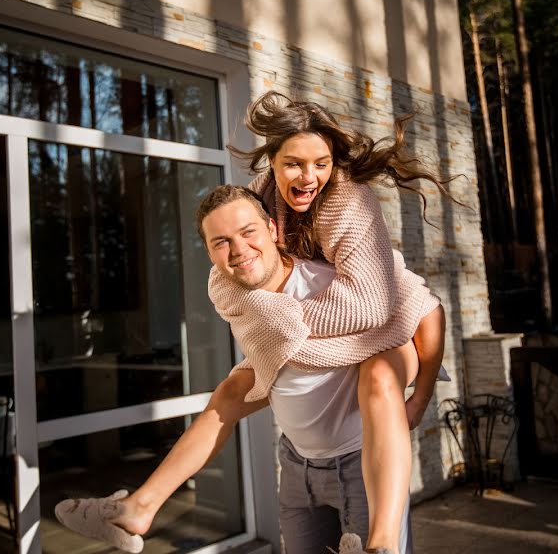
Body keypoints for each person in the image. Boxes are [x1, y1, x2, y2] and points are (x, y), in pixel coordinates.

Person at [55, 186, 414, 553]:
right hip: (297, 467)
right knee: (228, 393)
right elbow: (270, 358)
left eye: (248, 232)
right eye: (221, 242)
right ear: (209, 252)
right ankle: (138, 509)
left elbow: (402, 322)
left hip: (362, 464)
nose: (239, 250)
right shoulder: (237, 295)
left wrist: (421, 385)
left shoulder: (327, 287)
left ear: (272, 229)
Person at [209, 91, 452, 554]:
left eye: (321, 163)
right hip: (303, 454)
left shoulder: (349, 200)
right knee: (230, 390)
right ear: (272, 163)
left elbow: (381, 308)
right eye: (295, 164)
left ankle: (382, 543)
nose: (309, 177)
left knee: (382, 375)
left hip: (399, 313)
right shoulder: (260, 198)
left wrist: (419, 399)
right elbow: (226, 275)